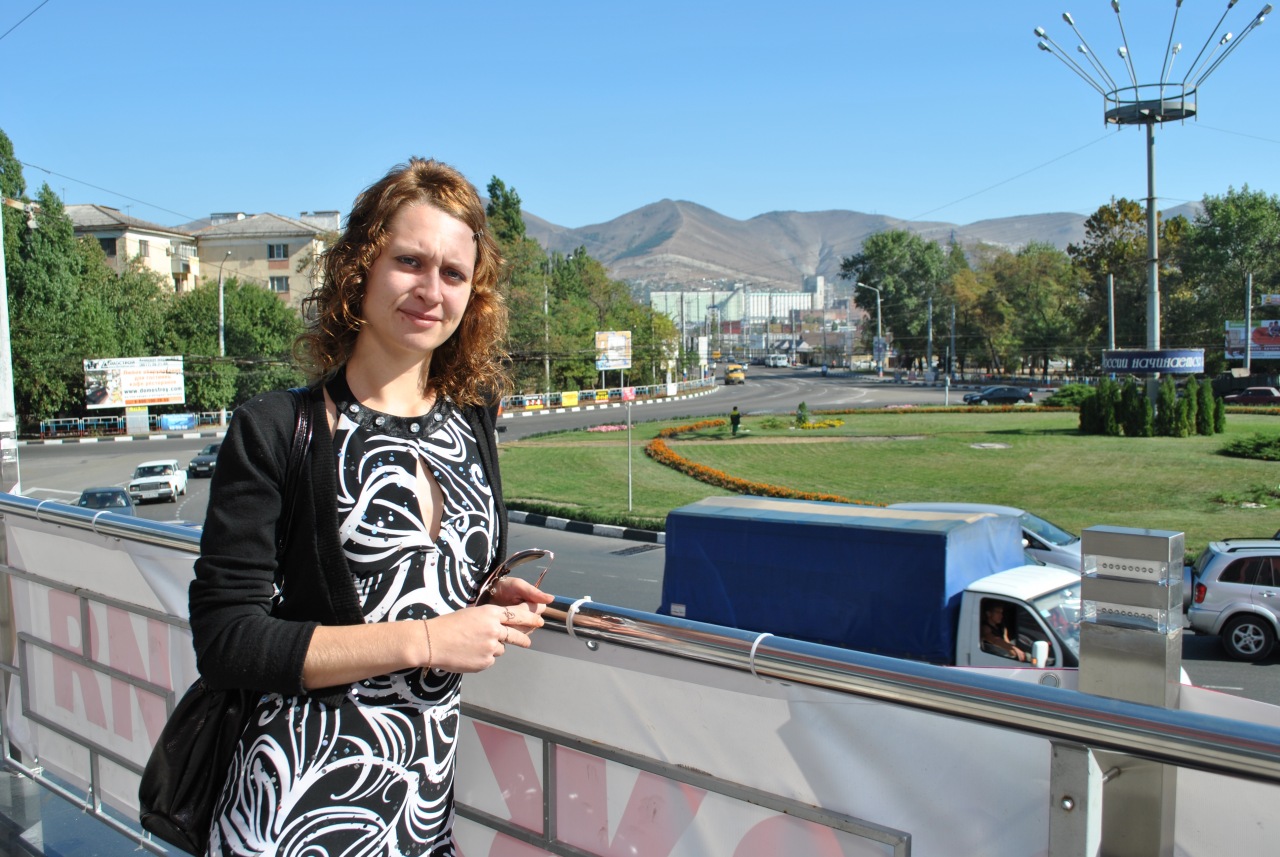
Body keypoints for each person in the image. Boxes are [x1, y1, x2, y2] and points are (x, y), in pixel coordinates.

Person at [188, 158, 553, 856]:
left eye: (453, 273)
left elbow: (412, 577)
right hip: (294, 817)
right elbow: (227, 640)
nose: (430, 290)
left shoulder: (473, 418)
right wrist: (427, 639)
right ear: (361, 268)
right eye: (409, 261)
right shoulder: (277, 428)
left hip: (419, 817)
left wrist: (481, 595)